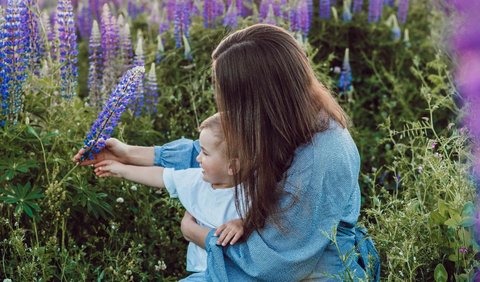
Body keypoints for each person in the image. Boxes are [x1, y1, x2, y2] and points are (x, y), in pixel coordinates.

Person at [75, 24, 379, 281]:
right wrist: (126, 153)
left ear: (262, 97)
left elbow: (275, 263)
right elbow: (217, 152)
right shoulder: (289, 120)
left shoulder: (322, 156)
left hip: (312, 272)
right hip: (268, 259)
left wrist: (198, 235)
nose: (225, 108)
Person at [88, 113, 246, 281]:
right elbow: (162, 176)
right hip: (203, 273)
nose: (198, 158)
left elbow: (265, 218)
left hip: (237, 274)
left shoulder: (252, 192)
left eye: (205, 153)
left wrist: (243, 222)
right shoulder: (196, 180)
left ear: (232, 166)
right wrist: (121, 169)